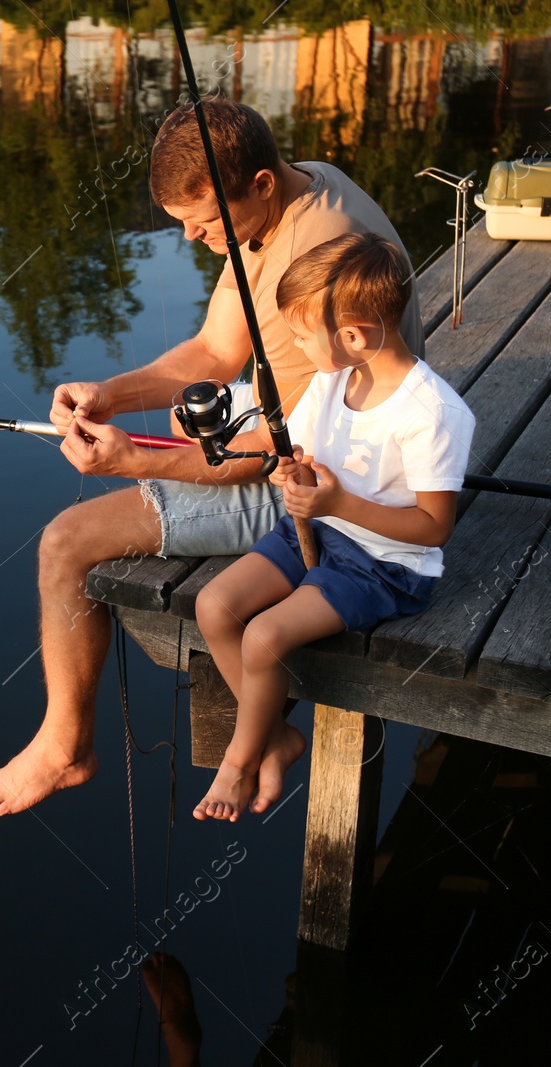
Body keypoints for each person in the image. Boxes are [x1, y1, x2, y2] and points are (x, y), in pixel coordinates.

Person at [0, 97, 425, 817]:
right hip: (312, 432)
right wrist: (111, 394)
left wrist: (133, 462)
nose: (188, 237)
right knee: (183, 421)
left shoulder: (315, 258)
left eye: (202, 220)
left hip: (332, 485)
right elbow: (216, 351)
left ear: (261, 185)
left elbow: (270, 455)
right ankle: (265, 737)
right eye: (182, 220)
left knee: (66, 544)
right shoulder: (305, 187)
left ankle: (66, 748)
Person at [191, 233, 473, 820]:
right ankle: (275, 738)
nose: (292, 345)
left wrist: (336, 504)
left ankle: (239, 764)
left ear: (352, 335)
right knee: (215, 605)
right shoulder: (333, 379)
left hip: (387, 565)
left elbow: (433, 528)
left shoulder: (434, 414)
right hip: (318, 532)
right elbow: (308, 454)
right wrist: (294, 473)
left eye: (300, 333)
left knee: (263, 637)